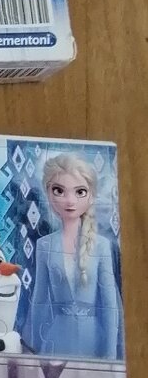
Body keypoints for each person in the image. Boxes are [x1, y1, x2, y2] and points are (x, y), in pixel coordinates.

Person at [22, 154, 122, 359]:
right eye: (59, 191)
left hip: (93, 340)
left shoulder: (101, 245)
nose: (70, 200)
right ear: (49, 193)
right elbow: (39, 299)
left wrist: (111, 355)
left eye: (80, 192)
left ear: (91, 196)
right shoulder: (44, 245)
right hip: (57, 338)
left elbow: (109, 304)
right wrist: (33, 348)